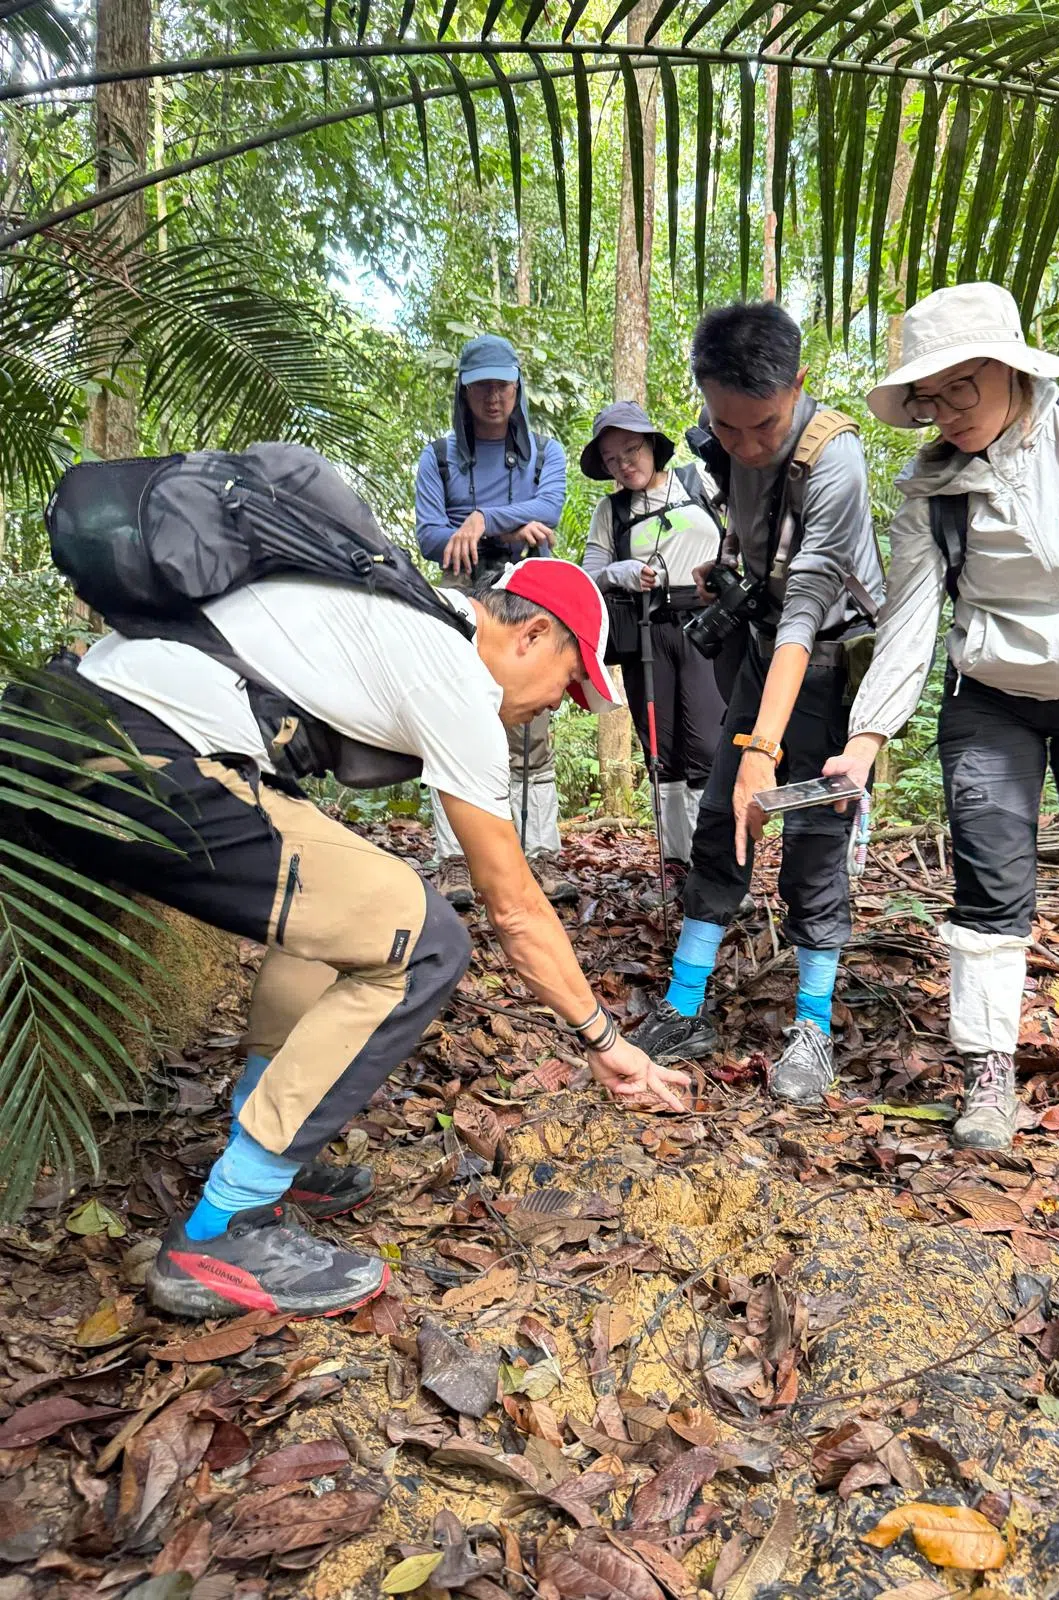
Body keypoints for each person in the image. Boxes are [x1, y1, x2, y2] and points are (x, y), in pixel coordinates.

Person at [43, 555, 687, 1320]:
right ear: (533, 636)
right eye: (569, 681)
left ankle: (267, 1148)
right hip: (141, 753)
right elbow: (514, 909)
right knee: (427, 943)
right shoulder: (451, 668)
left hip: (82, 723)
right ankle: (225, 1228)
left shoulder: (404, 613)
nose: (557, 705)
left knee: (344, 912)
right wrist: (606, 1041)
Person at [824, 281, 1059, 1151]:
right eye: (929, 397)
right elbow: (910, 622)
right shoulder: (931, 490)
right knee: (989, 882)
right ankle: (987, 1067)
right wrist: (863, 742)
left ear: (1012, 371)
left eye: (962, 387)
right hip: (991, 699)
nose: (947, 412)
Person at [629, 303, 885, 1102]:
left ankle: (812, 1026)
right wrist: (728, 564)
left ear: (798, 385)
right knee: (722, 818)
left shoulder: (836, 461)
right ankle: (684, 1006)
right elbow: (763, 552)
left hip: (829, 663)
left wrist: (763, 752)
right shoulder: (727, 442)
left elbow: (810, 606)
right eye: (725, 426)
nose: (743, 445)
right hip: (762, 650)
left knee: (812, 832)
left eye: (762, 427)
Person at [414, 334, 574, 911]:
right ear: (463, 390)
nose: (493, 396)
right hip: (461, 590)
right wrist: (505, 525)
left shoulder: (545, 452)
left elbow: (549, 511)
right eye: (481, 385)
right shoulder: (437, 457)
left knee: (532, 719)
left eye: (503, 384)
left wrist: (482, 520)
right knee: (452, 715)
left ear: (517, 387)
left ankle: (540, 854)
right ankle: (455, 861)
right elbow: (430, 535)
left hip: (526, 589)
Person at [580, 401, 726, 901]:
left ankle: (715, 869)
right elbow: (590, 573)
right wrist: (617, 572)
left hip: (708, 627)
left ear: (651, 445)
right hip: (646, 631)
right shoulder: (611, 511)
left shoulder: (696, 481)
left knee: (708, 745)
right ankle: (675, 865)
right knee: (661, 750)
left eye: (631, 450)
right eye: (612, 459)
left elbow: (740, 529)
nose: (624, 464)